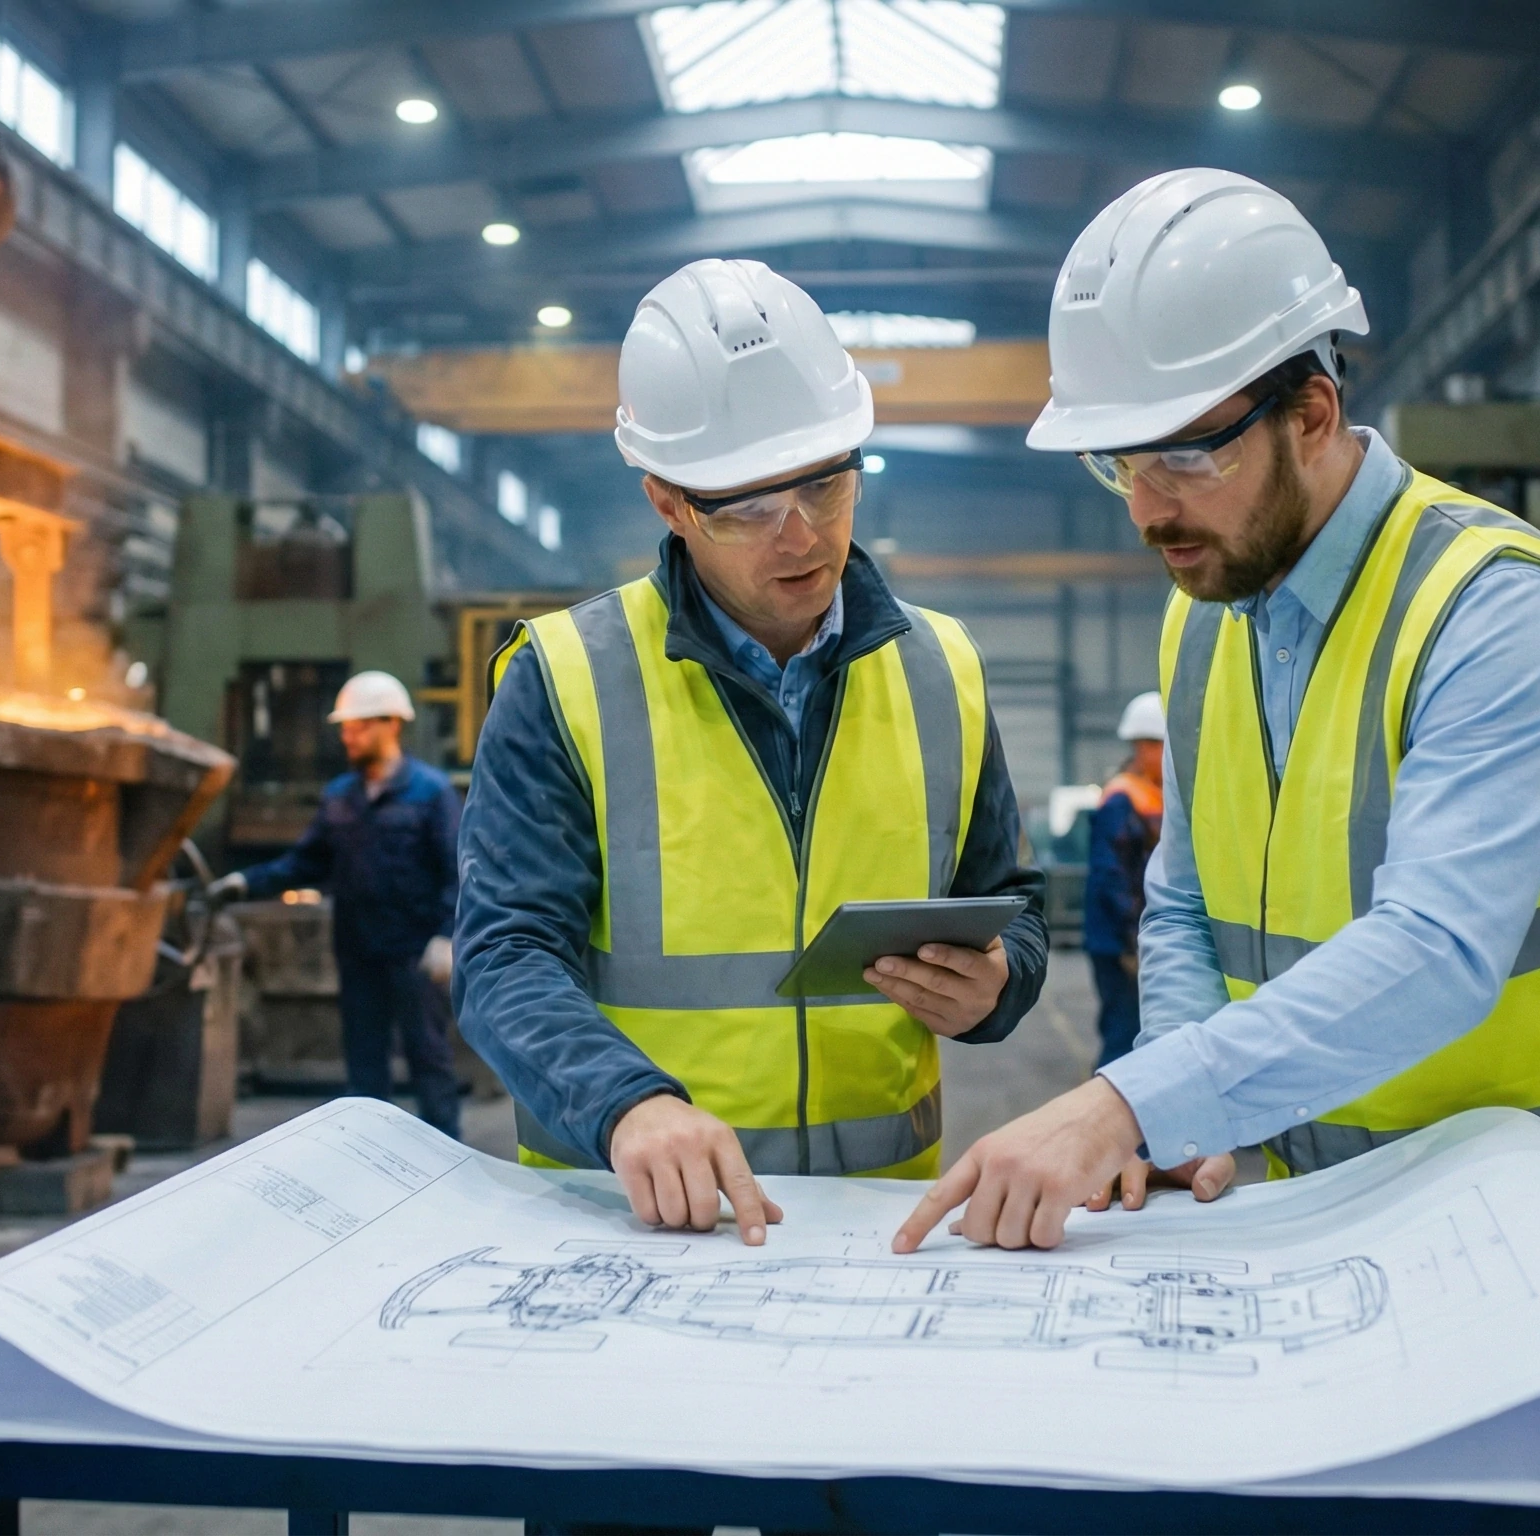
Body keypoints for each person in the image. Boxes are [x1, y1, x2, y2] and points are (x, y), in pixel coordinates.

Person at [896, 169, 1540, 1254]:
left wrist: (1123, 1105)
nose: (1146, 509)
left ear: (1312, 414)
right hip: (1332, 1218)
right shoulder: (1205, 615)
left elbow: (1437, 948)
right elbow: (1182, 905)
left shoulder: (1496, 612)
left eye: (1184, 454)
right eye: (1118, 462)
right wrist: (1179, 1115)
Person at [457, 257, 1052, 1246]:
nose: (800, 537)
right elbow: (503, 955)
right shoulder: (565, 679)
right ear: (667, 502)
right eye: (745, 508)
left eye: (825, 483)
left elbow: (1013, 904)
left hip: (875, 1226)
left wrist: (999, 984)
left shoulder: (940, 667)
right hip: (638, 1226)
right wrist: (626, 1104)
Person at [211, 671, 464, 1136]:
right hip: (359, 952)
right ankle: (368, 1162)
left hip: (414, 954)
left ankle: (449, 1161)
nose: (349, 735)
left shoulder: (431, 794)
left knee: (429, 1059)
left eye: (360, 725)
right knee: (365, 1072)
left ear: (392, 723)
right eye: (346, 728)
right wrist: (244, 883)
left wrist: (447, 937)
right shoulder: (339, 799)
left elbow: (457, 870)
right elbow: (304, 864)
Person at [1083, 692, 1166, 1068]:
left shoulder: (1156, 795)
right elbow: (1112, 876)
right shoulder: (1123, 799)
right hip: (1119, 942)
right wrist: (1131, 943)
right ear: (1146, 747)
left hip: (1138, 937)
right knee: (1124, 1032)